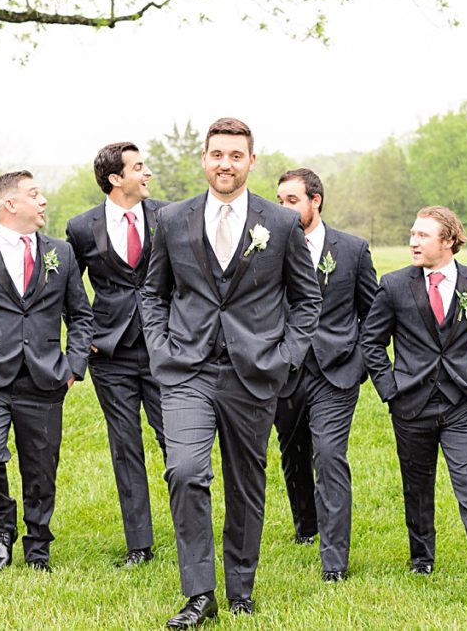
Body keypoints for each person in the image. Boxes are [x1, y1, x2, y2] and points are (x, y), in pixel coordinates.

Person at [141, 118, 321, 627]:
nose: (226, 164)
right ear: (204, 158)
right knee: (185, 471)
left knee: (246, 482)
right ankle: (199, 593)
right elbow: (152, 293)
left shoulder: (280, 224)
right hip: (186, 371)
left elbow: (307, 301)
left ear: (251, 161)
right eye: (217, 154)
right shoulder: (173, 219)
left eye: (235, 155)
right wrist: (160, 346)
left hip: (254, 372)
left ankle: (240, 586)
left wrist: (284, 357)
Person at [0, 170, 93, 572]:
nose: (42, 201)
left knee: (42, 468)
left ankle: (38, 544)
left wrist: (73, 366)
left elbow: (81, 315)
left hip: (45, 377)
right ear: (10, 204)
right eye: (34, 194)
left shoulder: (61, 252)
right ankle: (2, 524)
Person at [361, 206, 467, 602]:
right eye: (412, 233)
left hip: (463, 405)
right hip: (411, 405)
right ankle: (422, 556)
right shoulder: (393, 285)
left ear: (448, 241)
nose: (413, 241)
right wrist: (391, 389)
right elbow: (372, 343)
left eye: (422, 235)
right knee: (417, 486)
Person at [65, 142, 168, 567]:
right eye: (138, 168)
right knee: (125, 448)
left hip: (165, 349)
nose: (146, 175)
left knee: (178, 444)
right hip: (110, 353)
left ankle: (190, 530)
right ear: (115, 178)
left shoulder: (167, 216)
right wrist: (84, 338)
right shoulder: (81, 227)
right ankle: (139, 545)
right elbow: (70, 290)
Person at [273, 168, 377, 582]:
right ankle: (306, 527)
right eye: (279, 200)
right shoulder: (265, 246)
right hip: (284, 369)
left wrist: (360, 363)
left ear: (315, 200)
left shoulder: (351, 249)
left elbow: (373, 313)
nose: (283, 208)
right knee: (293, 454)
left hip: (337, 372)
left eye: (291, 200)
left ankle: (334, 561)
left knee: (330, 456)